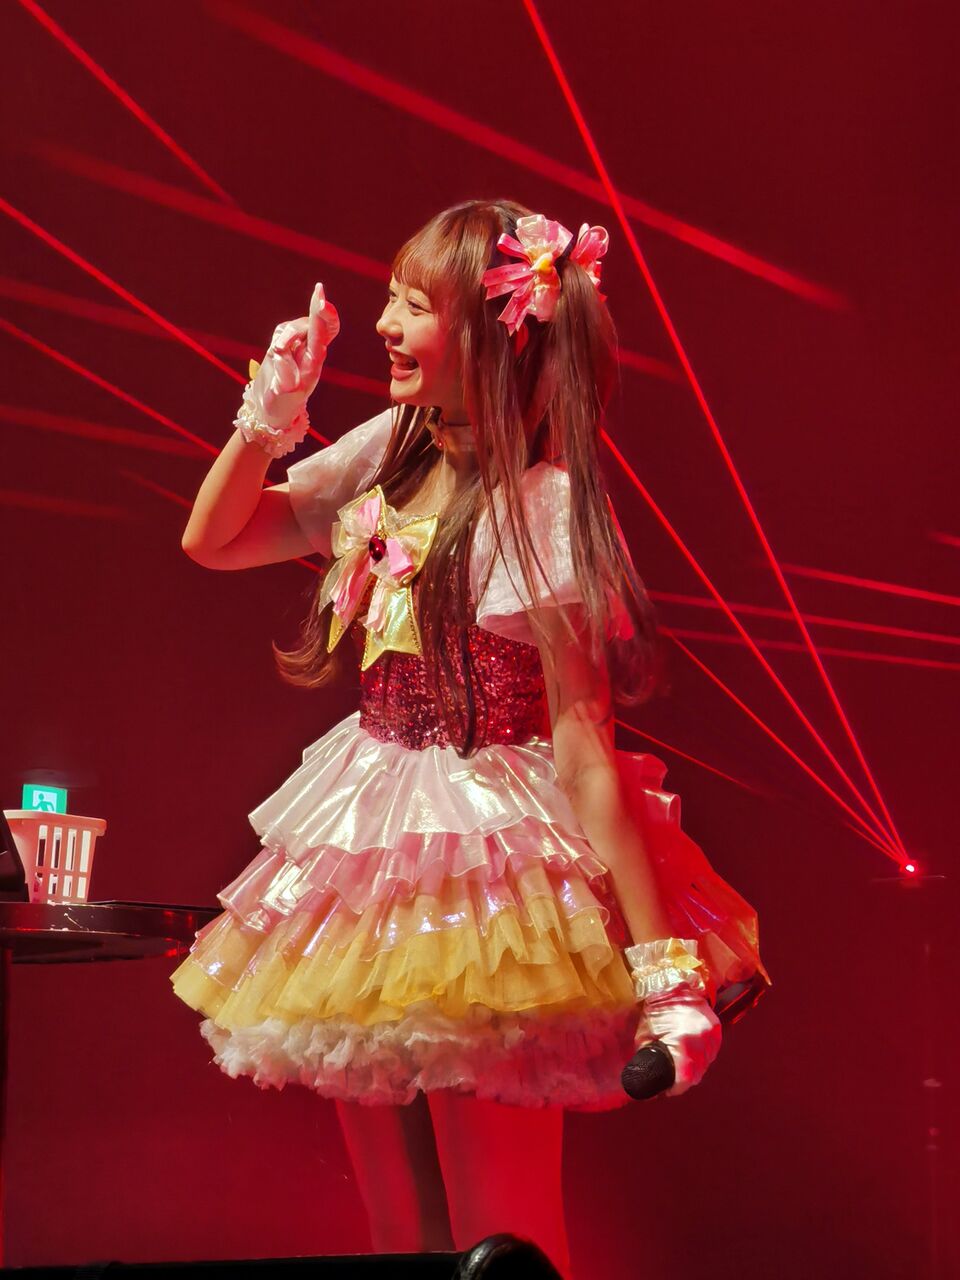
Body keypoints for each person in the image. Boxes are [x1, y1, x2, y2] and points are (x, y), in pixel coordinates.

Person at [170, 199, 770, 1277]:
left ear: (494, 334)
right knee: (399, 1236)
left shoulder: (543, 505)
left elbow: (583, 742)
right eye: (390, 299)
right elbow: (213, 539)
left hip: (489, 861)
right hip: (368, 848)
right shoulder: (391, 451)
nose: (384, 325)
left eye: (414, 305)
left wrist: (666, 974)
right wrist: (269, 413)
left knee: (501, 1226)